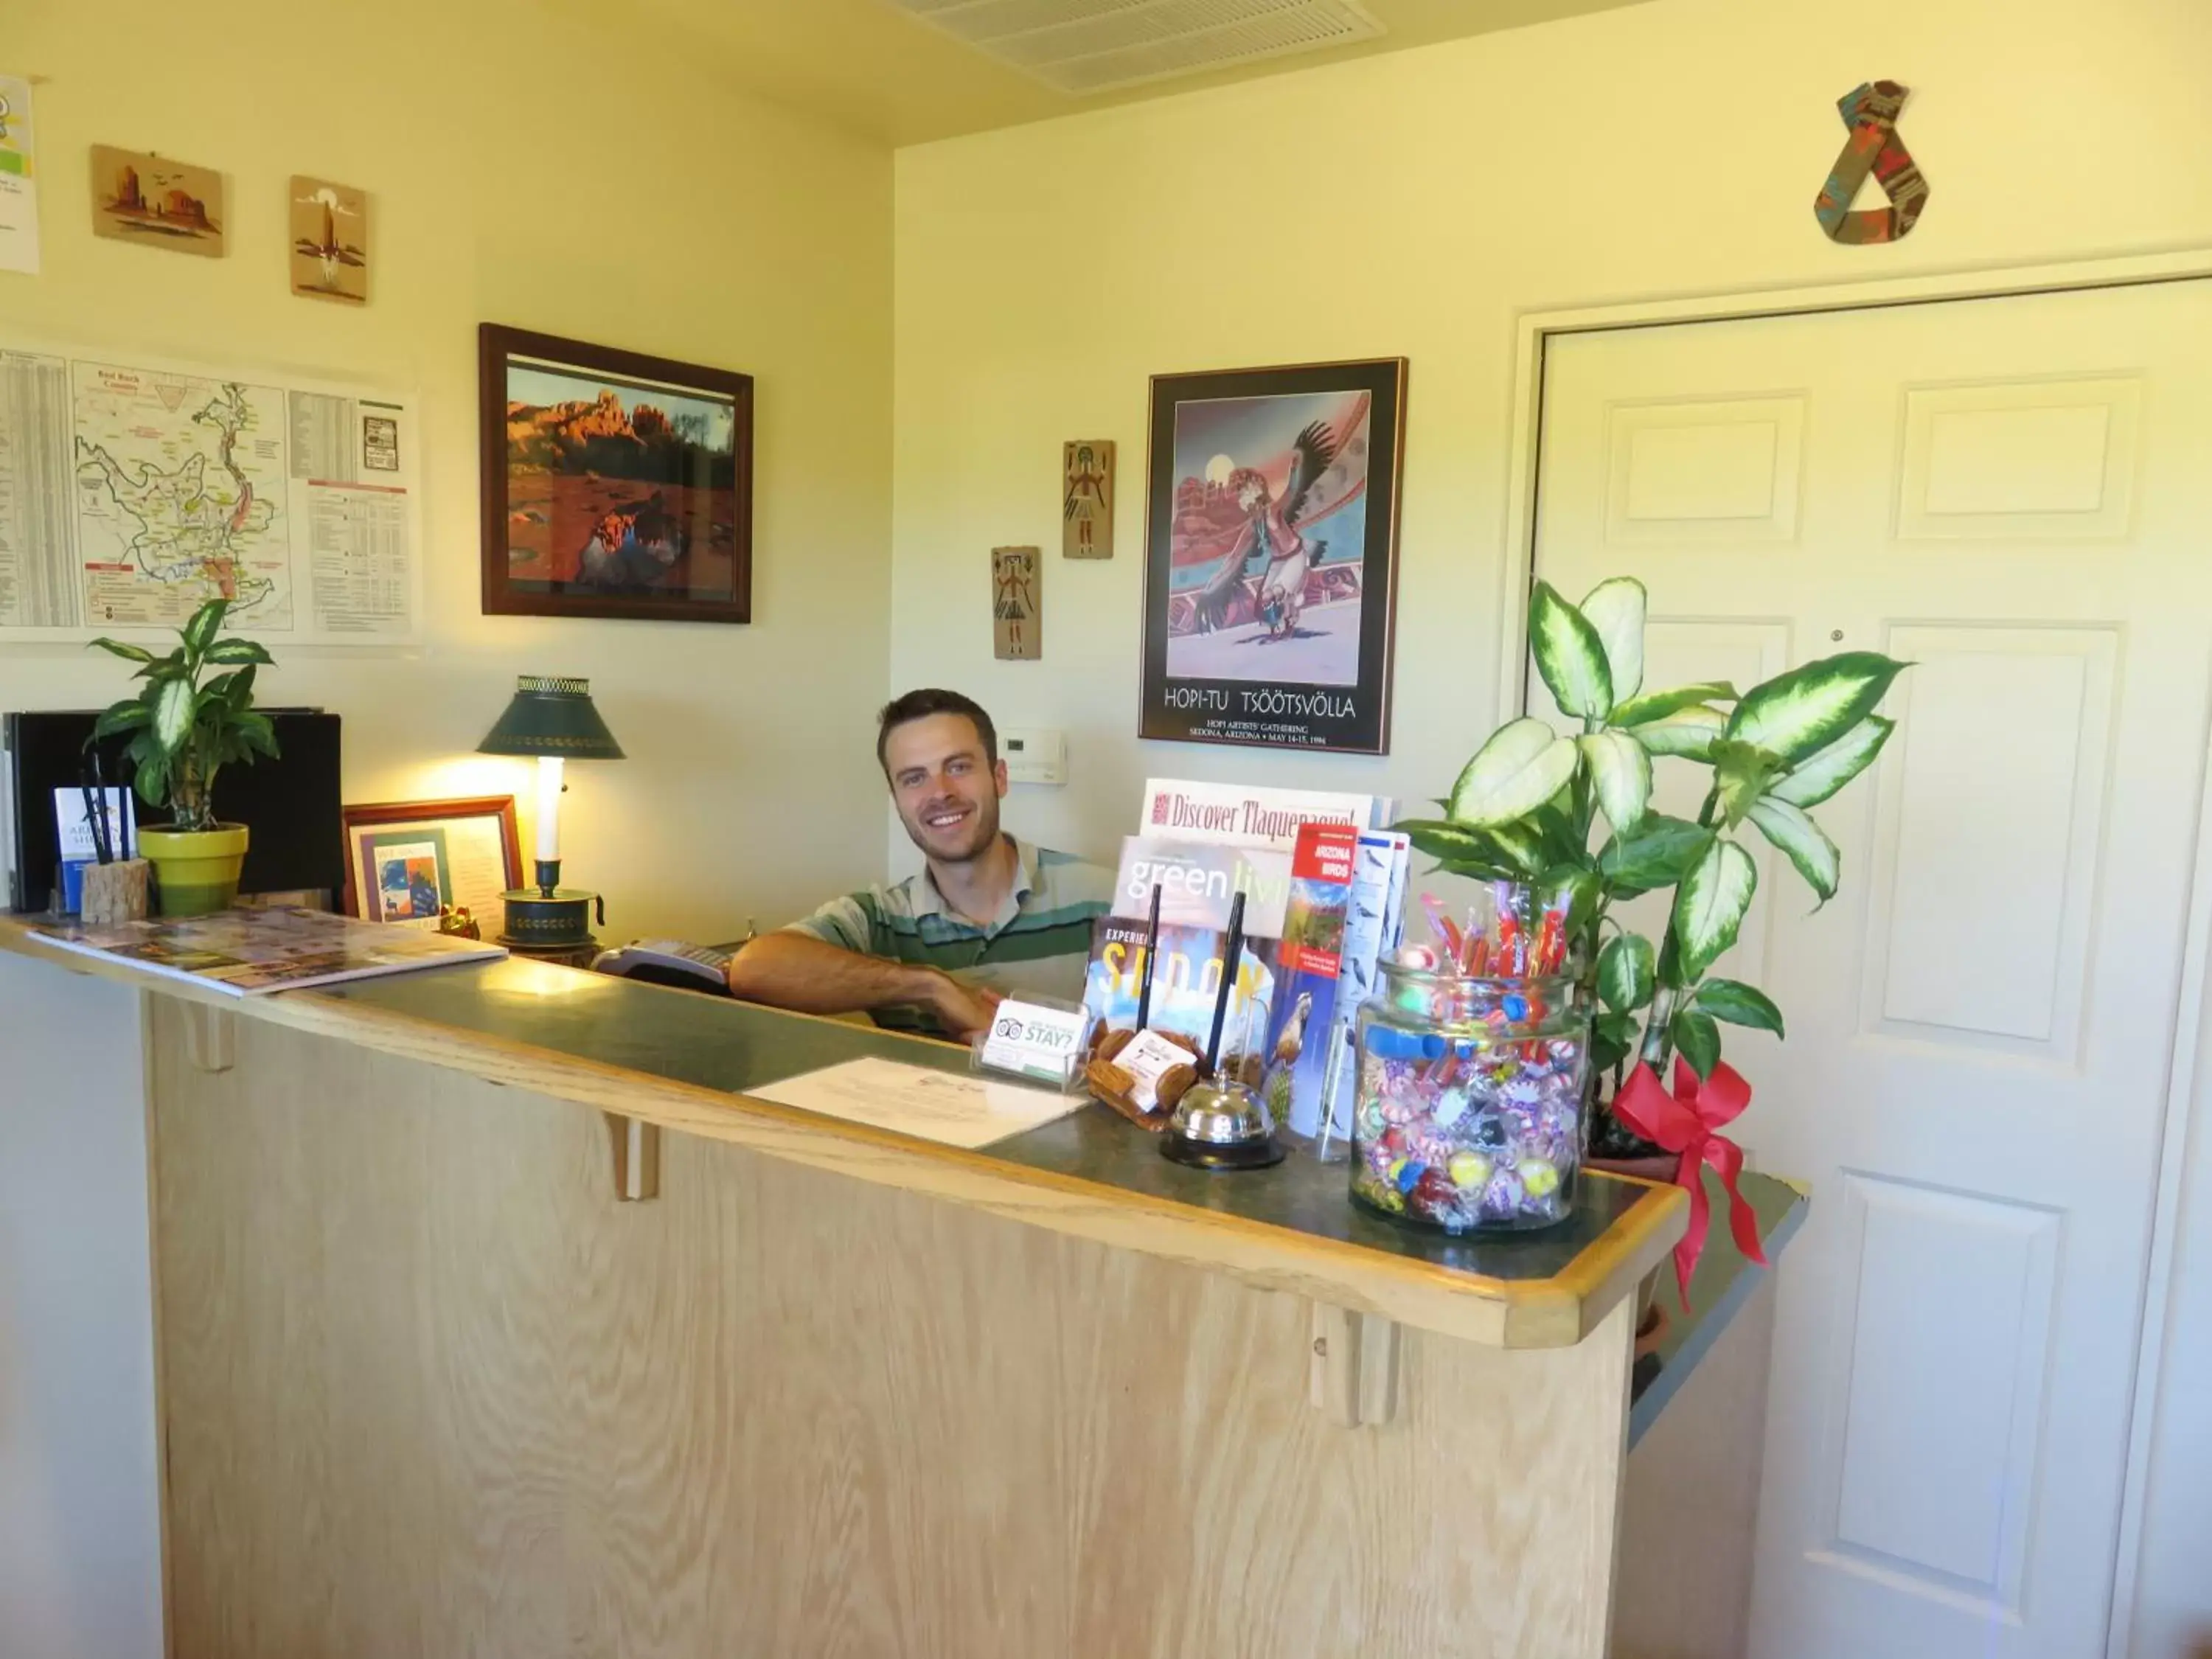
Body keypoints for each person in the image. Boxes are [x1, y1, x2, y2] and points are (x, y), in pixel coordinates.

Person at [726, 689, 1111, 1040]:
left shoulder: (1107, 902)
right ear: (896, 799)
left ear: (999, 778)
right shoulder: (880, 920)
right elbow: (754, 968)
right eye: (914, 779)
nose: (940, 792)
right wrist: (931, 987)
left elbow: (1158, 1059)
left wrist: (1028, 1050)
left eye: (958, 767)